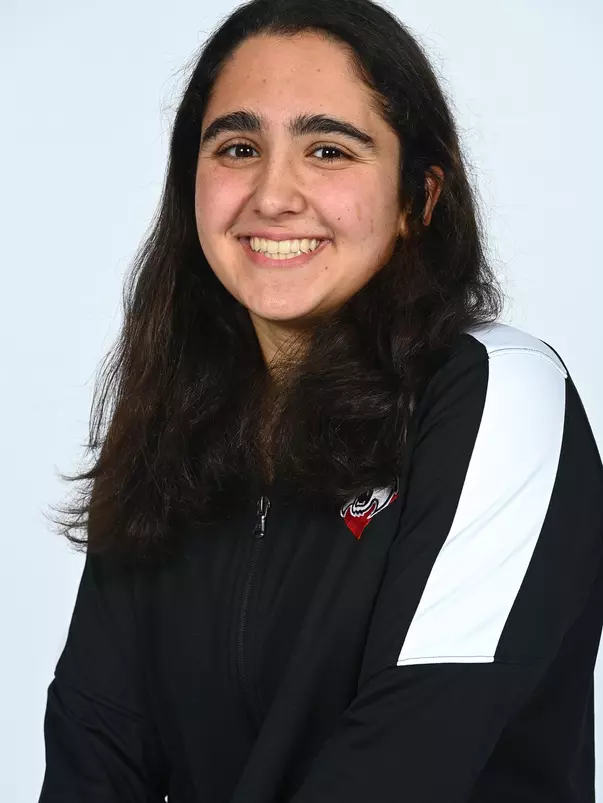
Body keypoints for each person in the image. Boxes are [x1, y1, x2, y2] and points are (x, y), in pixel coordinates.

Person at [38, 0, 603, 800]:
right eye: (237, 147)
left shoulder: (500, 395)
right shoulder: (173, 428)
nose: (273, 195)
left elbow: (407, 761)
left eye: (328, 150)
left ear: (420, 197)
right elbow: (94, 749)